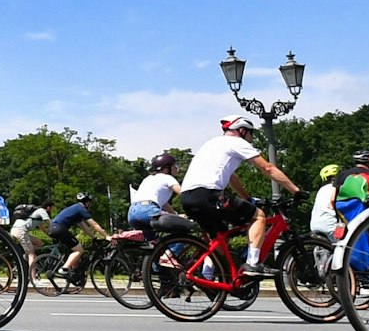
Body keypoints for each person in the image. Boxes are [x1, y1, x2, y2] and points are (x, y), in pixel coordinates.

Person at [178, 115, 301, 272]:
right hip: (208, 195)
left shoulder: (211, 144)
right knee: (258, 216)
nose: (252, 138)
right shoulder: (237, 142)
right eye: (251, 133)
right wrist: (295, 190)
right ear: (242, 131)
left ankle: (208, 278)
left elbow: (231, 177)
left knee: (219, 238)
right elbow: (268, 168)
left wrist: (247, 198)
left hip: (188, 197)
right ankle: (253, 263)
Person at [46, 193, 108, 284]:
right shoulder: (81, 208)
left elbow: (85, 228)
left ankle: (74, 275)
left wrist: (94, 238)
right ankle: (64, 269)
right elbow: (94, 224)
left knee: (74, 250)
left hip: (53, 229)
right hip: (59, 229)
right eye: (90, 203)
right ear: (87, 203)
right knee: (79, 250)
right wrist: (106, 236)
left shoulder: (75, 210)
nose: (90, 206)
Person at [127, 153, 184, 231]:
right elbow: (183, 193)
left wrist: (175, 215)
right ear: (166, 168)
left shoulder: (148, 179)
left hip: (132, 213)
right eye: (174, 166)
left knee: (154, 239)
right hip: (149, 210)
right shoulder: (167, 177)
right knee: (180, 227)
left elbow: (164, 204)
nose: (176, 168)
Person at [309, 165, 342, 238]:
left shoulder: (321, 190)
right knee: (346, 245)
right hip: (330, 224)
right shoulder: (336, 189)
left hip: (315, 225)